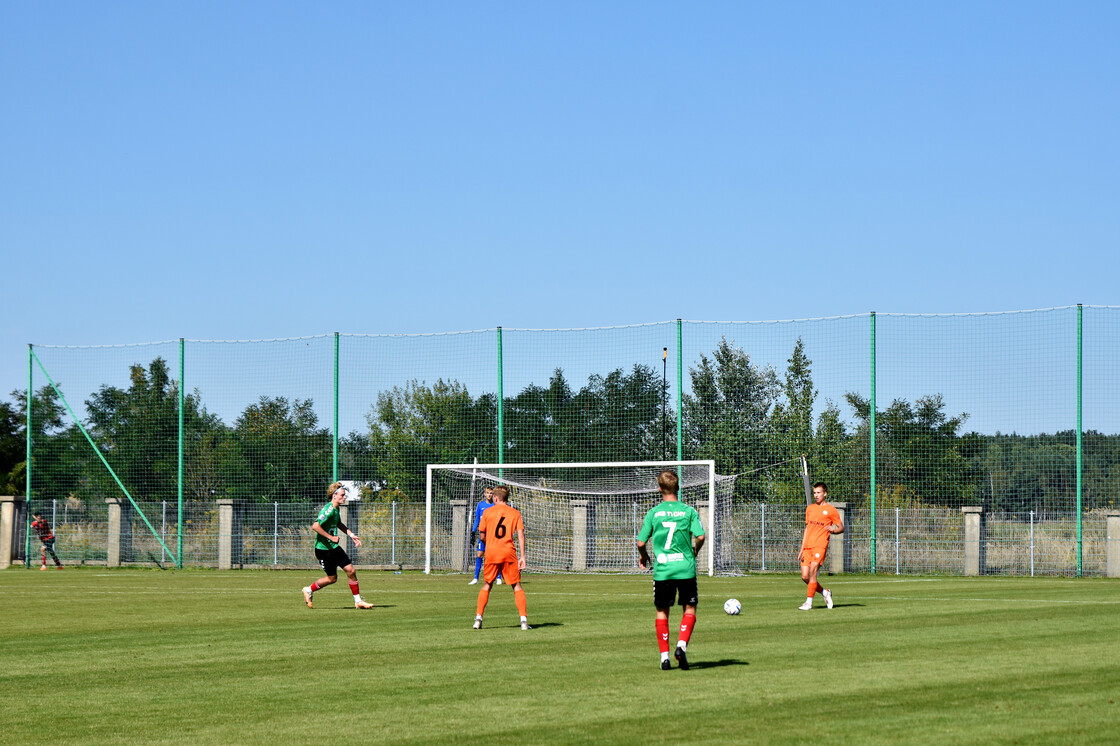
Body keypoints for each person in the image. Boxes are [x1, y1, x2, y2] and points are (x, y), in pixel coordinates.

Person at [636, 470, 705, 670]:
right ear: (678, 488)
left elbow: (641, 542)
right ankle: (681, 646)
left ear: (659, 489)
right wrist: (694, 551)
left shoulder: (654, 513)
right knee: (689, 608)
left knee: (662, 611)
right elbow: (700, 537)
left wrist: (644, 555)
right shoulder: (688, 511)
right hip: (685, 568)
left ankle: (664, 658)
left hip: (663, 569)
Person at [302, 482, 374, 609]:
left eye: (345, 495)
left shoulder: (336, 509)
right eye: (342, 495)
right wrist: (331, 537)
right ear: (334, 496)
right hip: (323, 550)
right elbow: (315, 526)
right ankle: (308, 590)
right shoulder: (328, 510)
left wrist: (352, 535)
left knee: (351, 571)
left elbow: (339, 524)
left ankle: (358, 602)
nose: (344, 497)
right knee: (332, 578)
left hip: (333, 547)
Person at [472, 485, 528, 630]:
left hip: (492, 552)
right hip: (509, 552)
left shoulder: (488, 513)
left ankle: (478, 619)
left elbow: (482, 535)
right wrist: (522, 556)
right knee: (516, 586)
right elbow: (521, 534)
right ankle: (523, 621)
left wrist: (489, 543)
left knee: (487, 584)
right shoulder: (515, 513)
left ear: (495, 498)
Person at [798, 481, 844, 610]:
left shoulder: (831, 510)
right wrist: (802, 548)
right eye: (814, 493)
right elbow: (807, 528)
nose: (816, 495)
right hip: (808, 546)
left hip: (820, 545)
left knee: (813, 573)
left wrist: (833, 530)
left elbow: (841, 528)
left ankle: (808, 603)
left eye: (819, 493)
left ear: (825, 493)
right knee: (805, 576)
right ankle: (825, 592)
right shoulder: (810, 508)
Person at [469, 487, 502, 586]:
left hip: (493, 535)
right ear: (484, 494)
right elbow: (477, 520)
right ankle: (476, 578)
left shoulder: (495, 506)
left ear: (493, 495)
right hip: (483, 534)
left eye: (491, 493)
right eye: (488, 493)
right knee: (479, 554)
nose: (489, 495)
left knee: (496, 556)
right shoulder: (480, 505)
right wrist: (473, 531)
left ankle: (499, 577)